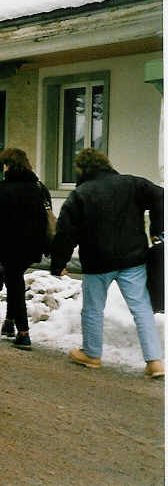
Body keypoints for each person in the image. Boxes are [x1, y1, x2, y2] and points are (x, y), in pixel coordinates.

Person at [49, 148, 164, 379]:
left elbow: (65, 233)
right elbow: (161, 196)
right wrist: (156, 230)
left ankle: (91, 354)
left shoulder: (80, 194)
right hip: (133, 259)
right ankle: (154, 362)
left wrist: (58, 262)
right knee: (141, 308)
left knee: (93, 309)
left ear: (81, 169)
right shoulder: (132, 184)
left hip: (97, 262)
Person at [0, 147, 50, 350]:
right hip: (33, 245)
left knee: (15, 283)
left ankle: (23, 332)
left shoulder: (2, 189)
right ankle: (9, 322)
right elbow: (47, 217)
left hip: (10, 245)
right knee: (14, 279)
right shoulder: (39, 187)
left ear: (8, 165)